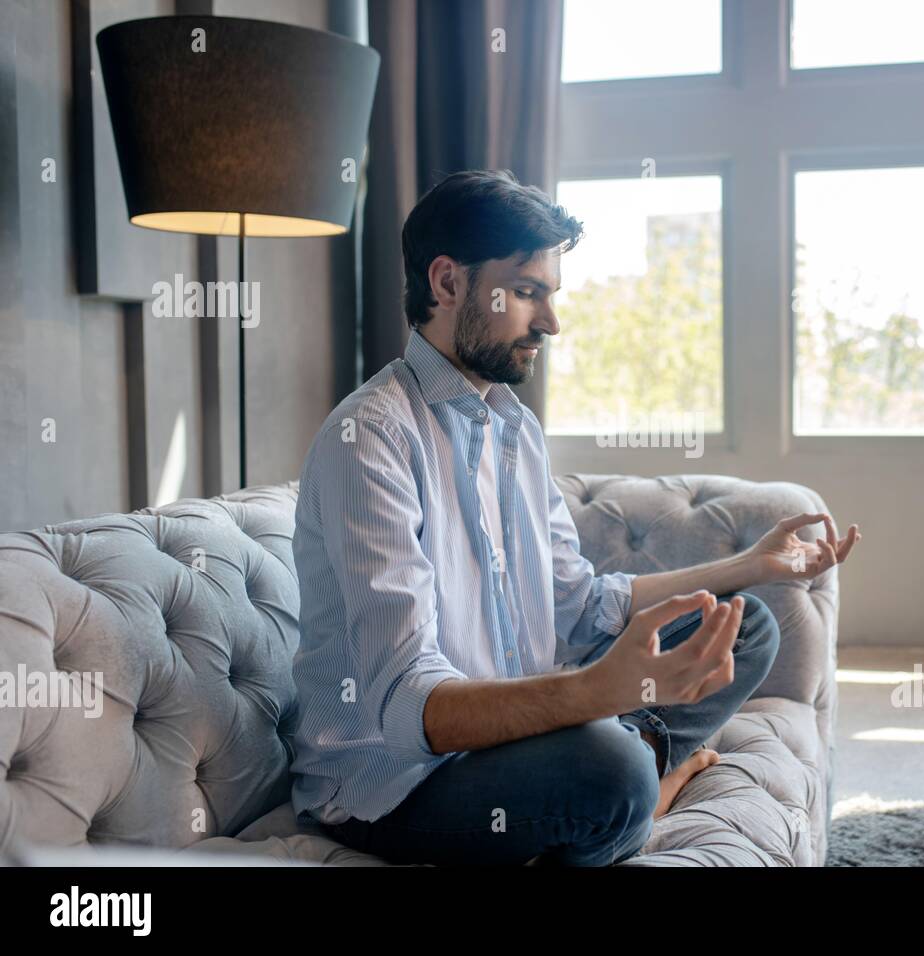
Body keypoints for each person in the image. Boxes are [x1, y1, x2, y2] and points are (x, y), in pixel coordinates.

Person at [288, 169, 861, 865]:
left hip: (513, 739)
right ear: (447, 284)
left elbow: (581, 604)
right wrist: (598, 692)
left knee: (744, 623)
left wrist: (751, 567)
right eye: (527, 293)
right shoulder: (371, 438)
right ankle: (644, 786)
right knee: (609, 771)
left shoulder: (513, 428)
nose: (551, 322)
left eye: (550, 295)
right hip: (399, 786)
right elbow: (414, 711)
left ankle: (634, 776)